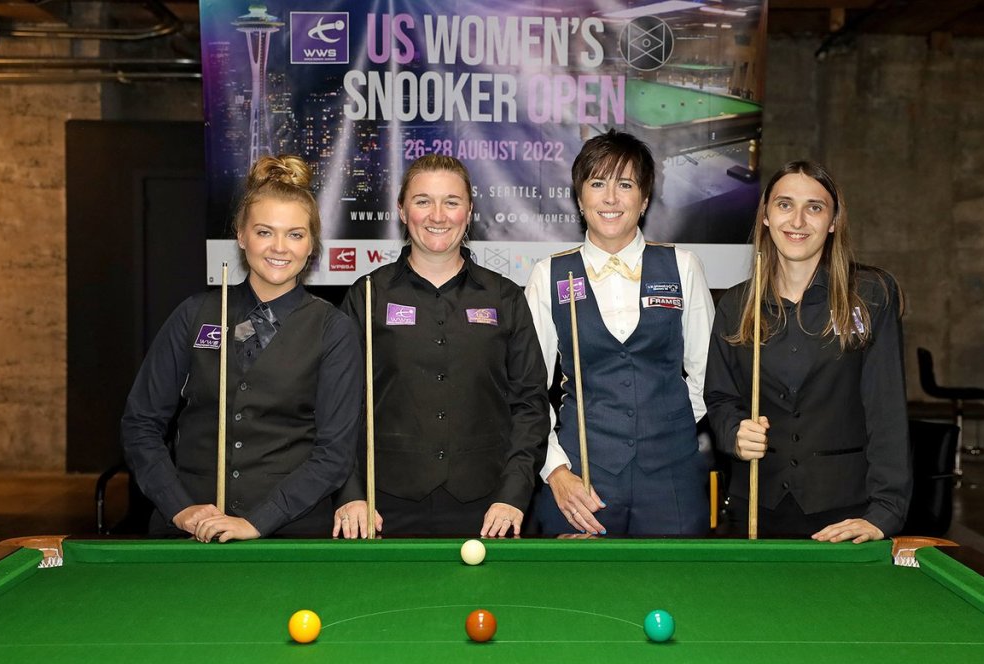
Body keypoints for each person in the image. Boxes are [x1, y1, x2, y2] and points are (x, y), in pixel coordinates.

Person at [121, 155, 362, 542]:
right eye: (265, 232)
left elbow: (334, 453)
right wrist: (179, 507)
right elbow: (140, 424)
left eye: (295, 235)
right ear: (241, 235)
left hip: (290, 535)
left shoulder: (334, 329)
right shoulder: (194, 314)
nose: (279, 247)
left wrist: (256, 522)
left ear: (312, 244)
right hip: (190, 531)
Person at [332, 154, 550, 538]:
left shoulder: (505, 297)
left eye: (451, 202)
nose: (438, 215)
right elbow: (339, 406)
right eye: (423, 201)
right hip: (381, 508)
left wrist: (514, 495)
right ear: (402, 210)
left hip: (490, 509)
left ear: (469, 211)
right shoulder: (367, 296)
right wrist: (350, 494)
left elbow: (530, 406)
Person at [704, 160, 911, 543]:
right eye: (785, 204)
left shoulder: (871, 295)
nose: (797, 220)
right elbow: (720, 399)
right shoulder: (736, 305)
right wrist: (734, 433)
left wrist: (886, 511)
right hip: (756, 507)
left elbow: (887, 409)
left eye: (814, 207)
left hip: (846, 513)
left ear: (833, 221)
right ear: (766, 216)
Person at [524, 129, 716, 536]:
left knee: (679, 576)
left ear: (644, 200)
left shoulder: (683, 267)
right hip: (582, 483)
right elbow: (527, 391)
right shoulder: (548, 275)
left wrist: (668, 426)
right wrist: (555, 470)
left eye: (625, 185)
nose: (610, 198)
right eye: (597, 184)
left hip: (672, 480)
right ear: (580, 199)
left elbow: (709, 376)